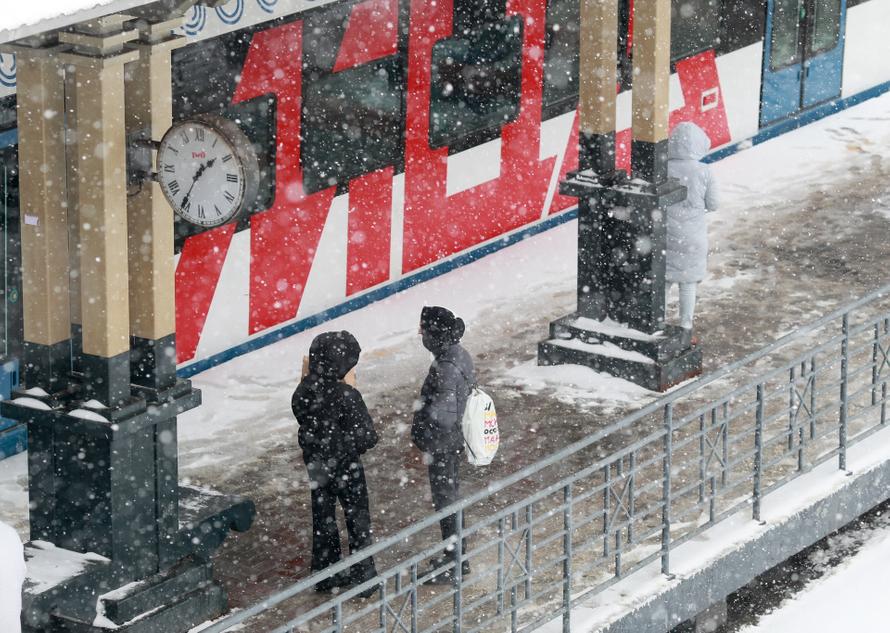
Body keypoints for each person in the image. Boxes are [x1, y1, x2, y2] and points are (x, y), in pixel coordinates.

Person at [292, 331, 378, 594]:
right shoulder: (347, 396)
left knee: (323, 517)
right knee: (357, 518)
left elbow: (301, 414)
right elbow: (367, 437)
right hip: (346, 466)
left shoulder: (304, 390)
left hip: (317, 465)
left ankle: (326, 572)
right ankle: (363, 575)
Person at [411, 306, 476, 583]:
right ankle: (454, 555)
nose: (420, 334)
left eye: (423, 329)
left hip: (443, 446)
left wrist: (424, 432)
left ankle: (455, 561)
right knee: (449, 498)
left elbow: (444, 416)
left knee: (446, 500)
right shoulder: (457, 355)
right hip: (450, 443)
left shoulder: (446, 367)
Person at [664, 121, 719, 342]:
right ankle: (685, 327)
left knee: (664, 281)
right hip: (693, 236)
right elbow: (714, 204)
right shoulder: (703, 171)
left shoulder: (663, 167)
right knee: (687, 284)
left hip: (665, 235)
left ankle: (657, 322)